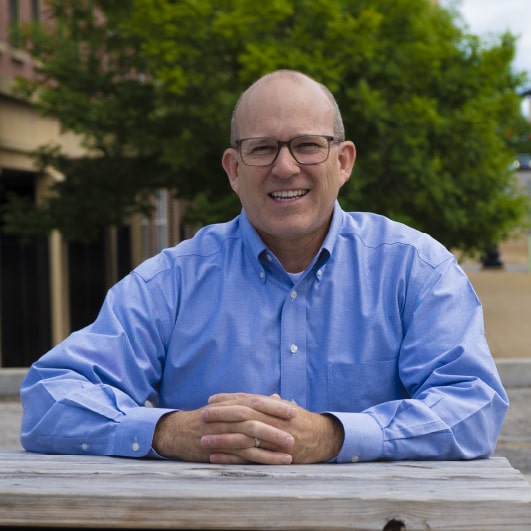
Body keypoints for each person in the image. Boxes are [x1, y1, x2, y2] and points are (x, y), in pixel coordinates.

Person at [20, 69, 508, 465]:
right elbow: (49, 401)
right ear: (234, 169)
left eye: (307, 145)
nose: (285, 167)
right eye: (262, 148)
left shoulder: (415, 270)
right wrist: (170, 431)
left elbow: (473, 407)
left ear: (344, 161)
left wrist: (336, 436)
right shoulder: (169, 282)